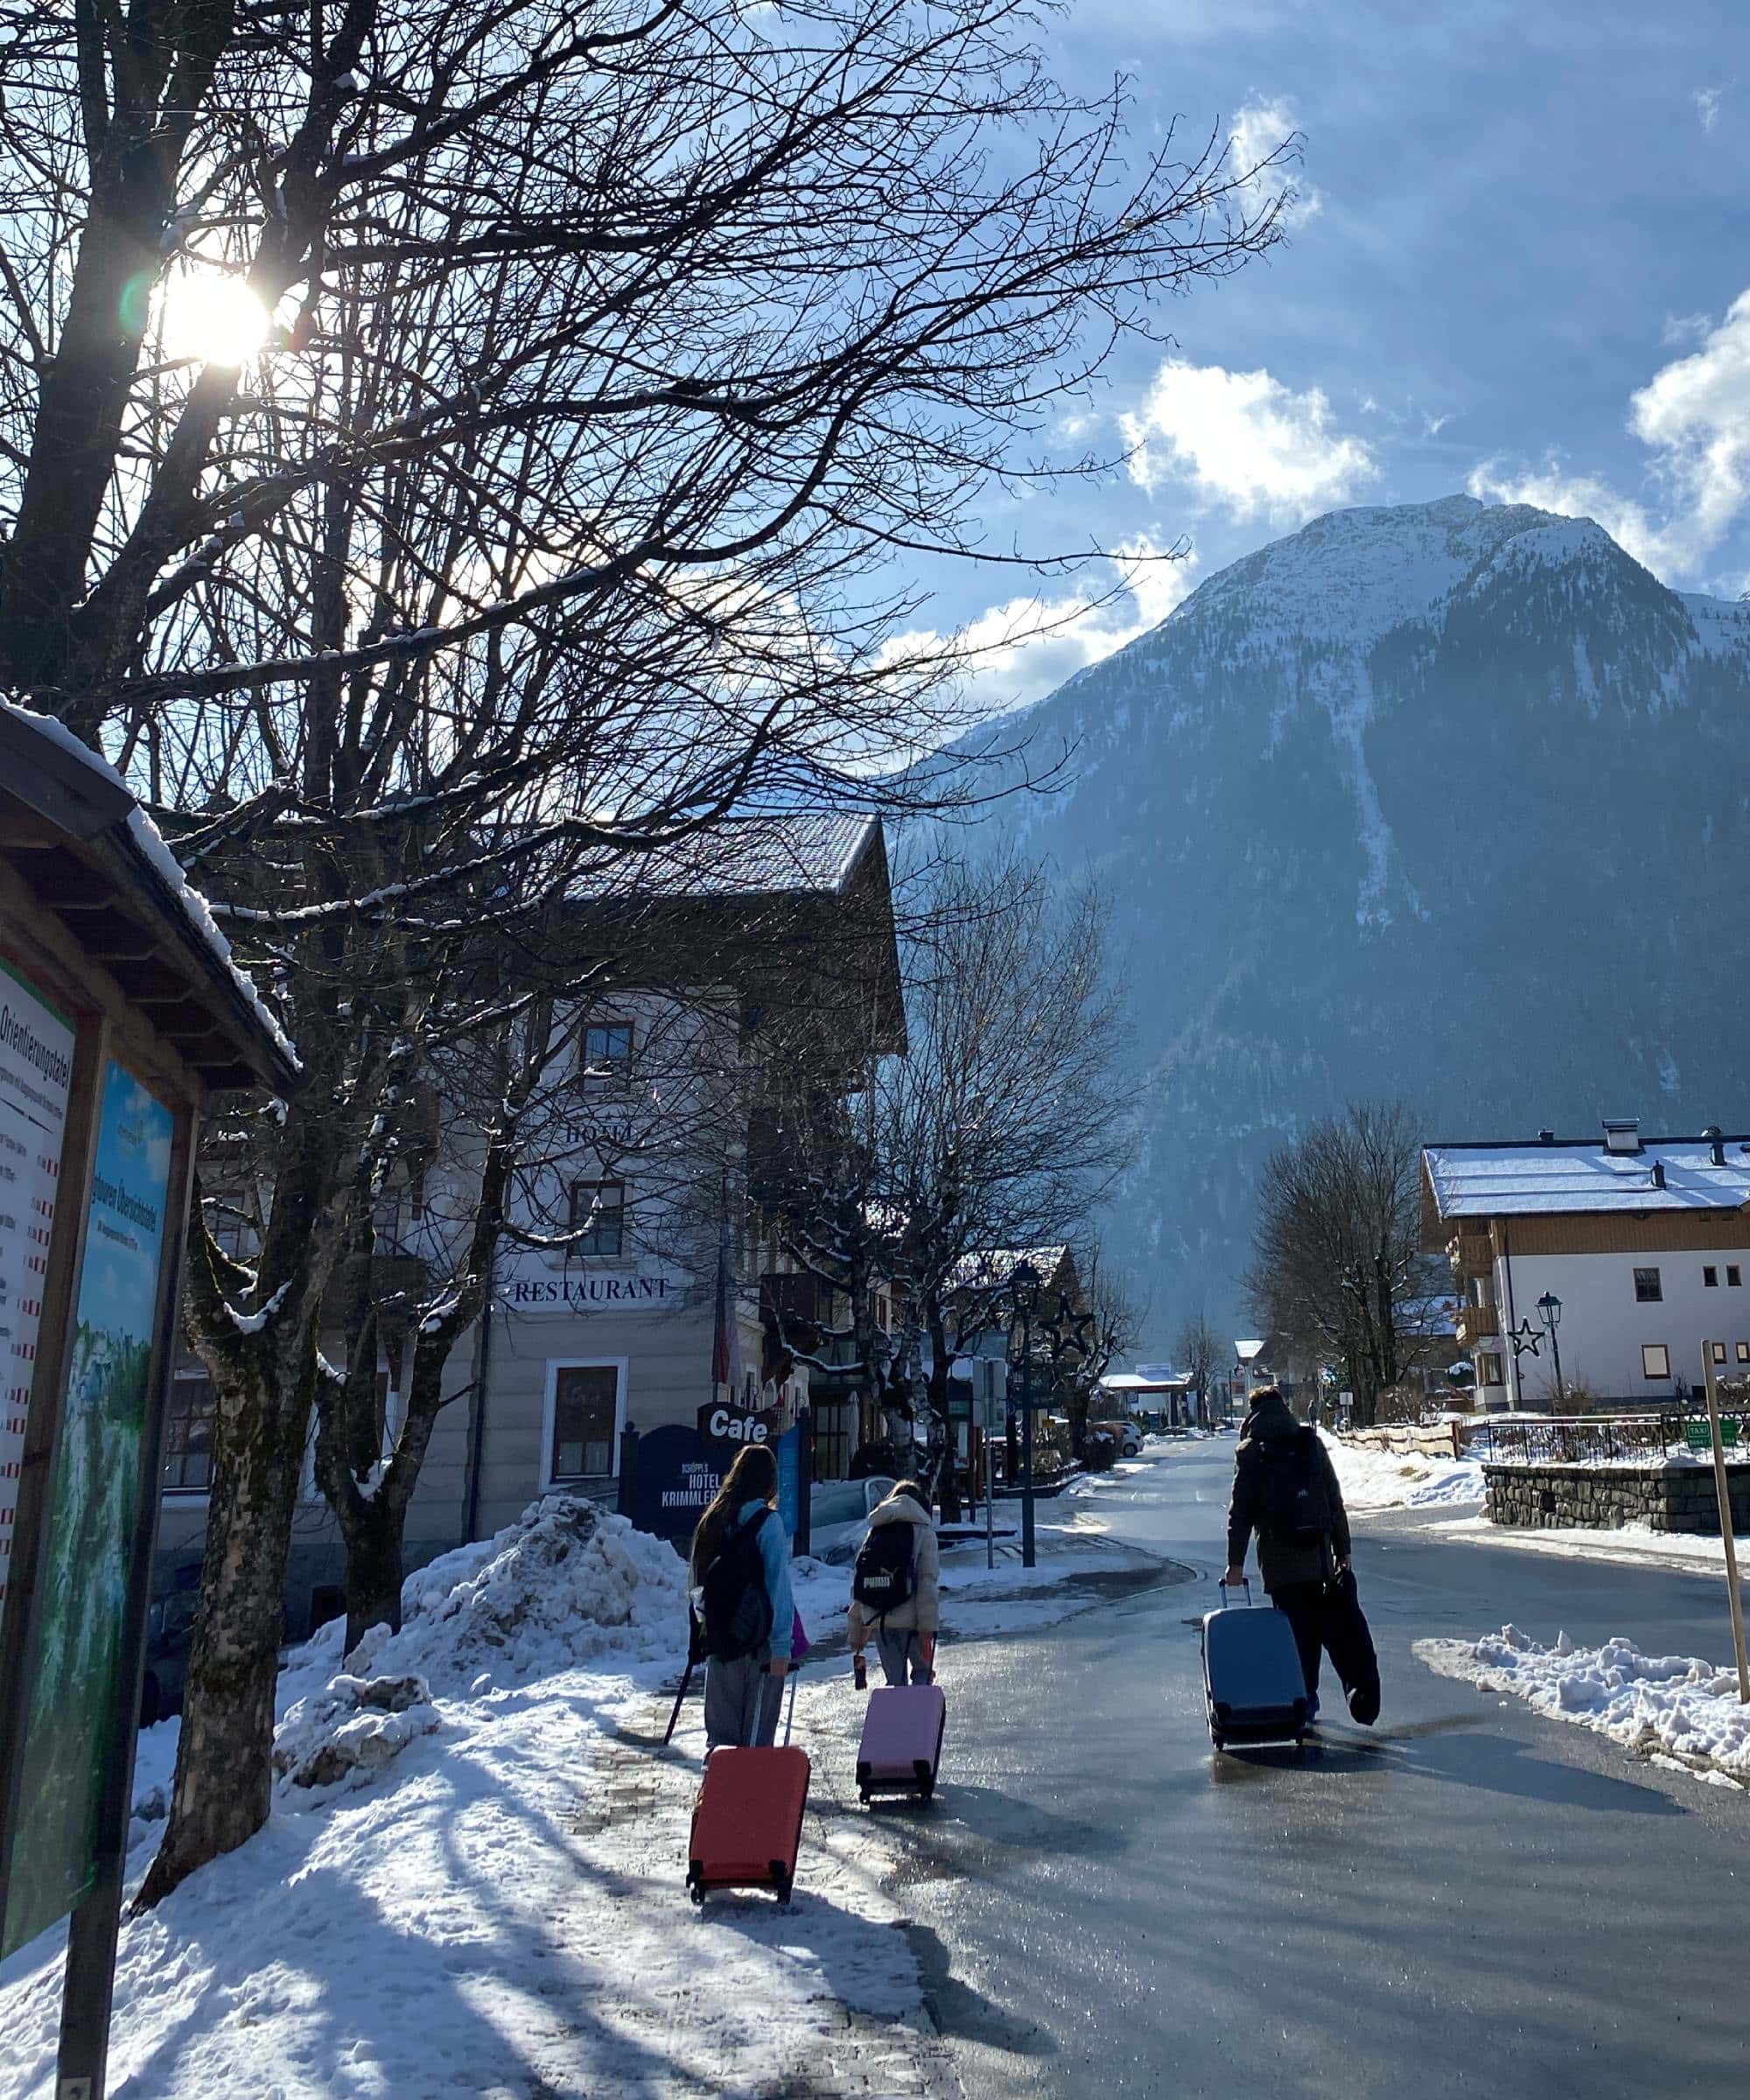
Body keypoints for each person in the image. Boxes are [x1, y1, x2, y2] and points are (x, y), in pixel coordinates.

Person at [1223, 1387, 1379, 1725]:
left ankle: (1304, 1697)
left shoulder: (1251, 1453)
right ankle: (1345, 1693)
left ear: (1253, 1412)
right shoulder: (1309, 1443)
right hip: (1319, 1557)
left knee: (1296, 1637)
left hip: (1280, 1566)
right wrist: (1343, 1551)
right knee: (1329, 1629)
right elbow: (1333, 1500)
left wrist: (1235, 1563)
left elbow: (1241, 1514)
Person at [690, 1444, 795, 1751]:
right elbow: (777, 1587)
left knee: (720, 1741)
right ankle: (751, 1798)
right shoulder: (767, 1523)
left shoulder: (713, 1520)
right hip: (757, 1645)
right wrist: (781, 1649)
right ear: (769, 1481)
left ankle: (717, 1795)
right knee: (757, 1740)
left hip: (721, 1643)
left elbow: (699, 1588)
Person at [847, 1479, 941, 1687]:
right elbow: (927, 1581)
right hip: (914, 1621)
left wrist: (857, 1629)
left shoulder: (876, 1530)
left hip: (880, 1620)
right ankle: (918, 1718)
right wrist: (927, 1625)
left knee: (895, 1682)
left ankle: (897, 1718)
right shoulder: (923, 1531)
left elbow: (861, 1582)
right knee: (923, 1672)